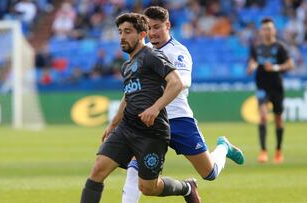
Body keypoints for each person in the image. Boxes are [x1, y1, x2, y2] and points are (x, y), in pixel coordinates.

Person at [121, 6, 245, 203]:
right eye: (149, 28)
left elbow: (183, 81)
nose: (153, 33)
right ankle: (186, 189)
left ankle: (223, 148)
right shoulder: (143, 53)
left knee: (209, 172)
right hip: (150, 122)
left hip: (177, 119)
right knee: (138, 173)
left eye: (157, 27)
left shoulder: (178, 51)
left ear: (168, 25)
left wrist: (159, 101)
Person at [80, 13, 201, 203]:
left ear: (142, 34)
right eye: (120, 32)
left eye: (128, 32)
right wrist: (113, 125)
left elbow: (176, 83)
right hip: (127, 128)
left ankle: (186, 188)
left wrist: (155, 108)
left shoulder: (152, 56)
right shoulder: (127, 66)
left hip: (152, 132)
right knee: (98, 170)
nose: (122, 37)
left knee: (148, 188)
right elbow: (128, 97)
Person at [247, 18, 295, 164]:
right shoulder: (257, 48)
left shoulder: (280, 47)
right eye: (264, 29)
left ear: (274, 30)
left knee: (278, 119)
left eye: (269, 28)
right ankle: (263, 151)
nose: (267, 31)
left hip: (276, 87)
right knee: (262, 116)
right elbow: (252, 62)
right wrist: (252, 66)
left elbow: (290, 64)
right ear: (261, 31)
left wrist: (275, 68)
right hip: (262, 86)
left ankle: (278, 150)